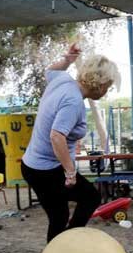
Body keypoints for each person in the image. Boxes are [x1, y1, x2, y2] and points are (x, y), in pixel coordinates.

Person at [21, 45, 120, 242]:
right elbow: (57, 136)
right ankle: (68, 245)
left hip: (33, 166)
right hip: (45, 170)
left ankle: (63, 249)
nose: (106, 92)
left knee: (60, 215)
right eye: (107, 87)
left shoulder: (63, 80)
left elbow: (50, 71)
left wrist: (68, 59)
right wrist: (70, 172)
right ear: (99, 85)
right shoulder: (73, 101)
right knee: (88, 199)